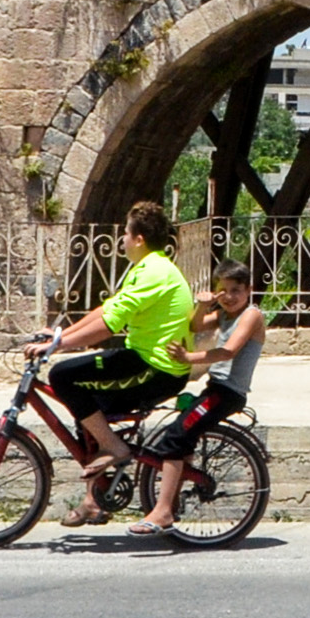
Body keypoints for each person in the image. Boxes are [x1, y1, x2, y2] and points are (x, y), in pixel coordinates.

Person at [37, 199, 196, 527]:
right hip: (142, 358)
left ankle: (115, 448)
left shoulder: (155, 271)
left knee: (62, 376)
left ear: (138, 239)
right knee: (86, 408)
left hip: (155, 367)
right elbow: (109, 309)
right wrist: (59, 335)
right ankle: (94, 501)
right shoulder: (149, 267)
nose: (121, 239)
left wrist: (58, 347)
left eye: (125, 233)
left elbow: (110, 324)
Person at [129, 258, 266, 536]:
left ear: (249, 290)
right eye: (223, 290)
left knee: (176, 435)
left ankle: (164, 511)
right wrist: (204, 304)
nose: (228, 297)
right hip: (215, 389)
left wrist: (189, 357)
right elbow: (195, 326)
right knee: (182, 434)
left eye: (235, 290)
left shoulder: (252, 315)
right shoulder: (225, 313)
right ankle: (172, 501)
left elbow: (229, 351)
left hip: (228, 393)